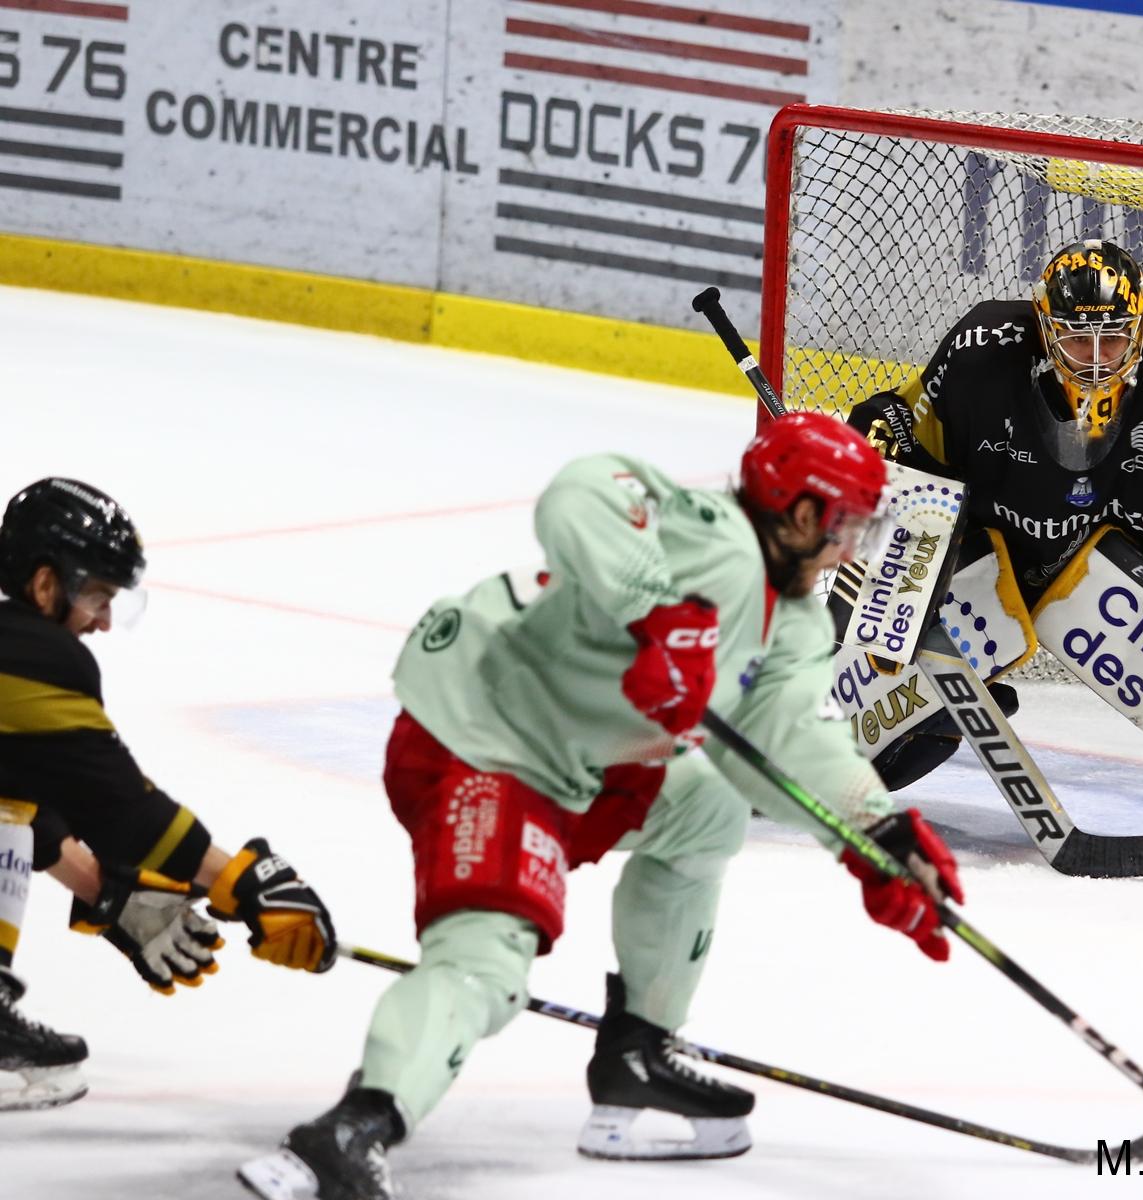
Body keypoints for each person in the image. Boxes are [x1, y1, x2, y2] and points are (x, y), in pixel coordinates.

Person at [239, 413, 964, 1200]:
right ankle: (354, 1127)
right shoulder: (713, 536)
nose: (852, 547)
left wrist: (877, 833)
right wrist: (657, 610)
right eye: (847, 525)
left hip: (577, 765)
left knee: (708, 810)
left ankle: (637, 1053)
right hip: (482, 737)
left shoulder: (794, 623)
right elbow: (583, 489)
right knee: (488, 960)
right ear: (798, 514)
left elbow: (785, 735)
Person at [846, 239, 1143, 788]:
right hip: (987, 552)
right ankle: (822, 722)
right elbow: (907, 424)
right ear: (1045, 325)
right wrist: (874, 435)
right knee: (881, 685)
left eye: (1115, 338)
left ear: (1142, 324)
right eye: (1079, 339)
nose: (1099, 358)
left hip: (1111, 579)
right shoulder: (981, 346)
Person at [0, 478, 338, 1112]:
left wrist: (104, 890)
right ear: (46, 586)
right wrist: (240, 879)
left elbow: (24, 804)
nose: (102, 620)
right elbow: (122, 809)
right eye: (96, 595)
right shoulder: (34, 656)